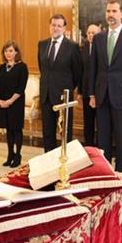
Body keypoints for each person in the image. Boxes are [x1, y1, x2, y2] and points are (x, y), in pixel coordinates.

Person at [89, 0, 122, 172]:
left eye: (114, 11)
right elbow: (93, 69)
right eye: (108, 11)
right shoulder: (98, 38)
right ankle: (104, 172)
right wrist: (92, 94)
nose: (110, 14)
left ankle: (119, 172)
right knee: (102, 137)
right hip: (102, 94)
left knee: (121, 137)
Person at [38, 14, 82, 152]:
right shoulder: (42, 44)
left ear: (64, 28)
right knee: (47, 132)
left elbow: (77, 73)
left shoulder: (72, 46)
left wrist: (67, 88)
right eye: (53, 25)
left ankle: (65, 160)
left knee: (65, 133)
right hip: (46, 95)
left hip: (64, 96)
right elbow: (42, 68)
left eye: (59, 25)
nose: (55, 28)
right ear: (49, 26)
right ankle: (49, 160)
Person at [0, 40, 29, 168]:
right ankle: (10, 155)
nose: (8, 53)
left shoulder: (22, 67)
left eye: (10, 51)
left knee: (16, 129)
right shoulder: (1, 67)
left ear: (16, 52)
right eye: (6, 51)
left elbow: (21, 88)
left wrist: (10, 101)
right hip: (3, 103)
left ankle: (18, 155)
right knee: (8, 130)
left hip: (16, 103)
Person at [78, 23, 100, 146]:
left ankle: (101, 146)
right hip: (86, 91)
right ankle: (89, 145)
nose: (91, 35)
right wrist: (80, 91)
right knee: (88, 121)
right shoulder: (83, 49)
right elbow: (81, 72)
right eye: (89, 33)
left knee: (101, 122)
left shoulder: (103, 47)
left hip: (101, 91)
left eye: (94, 33)